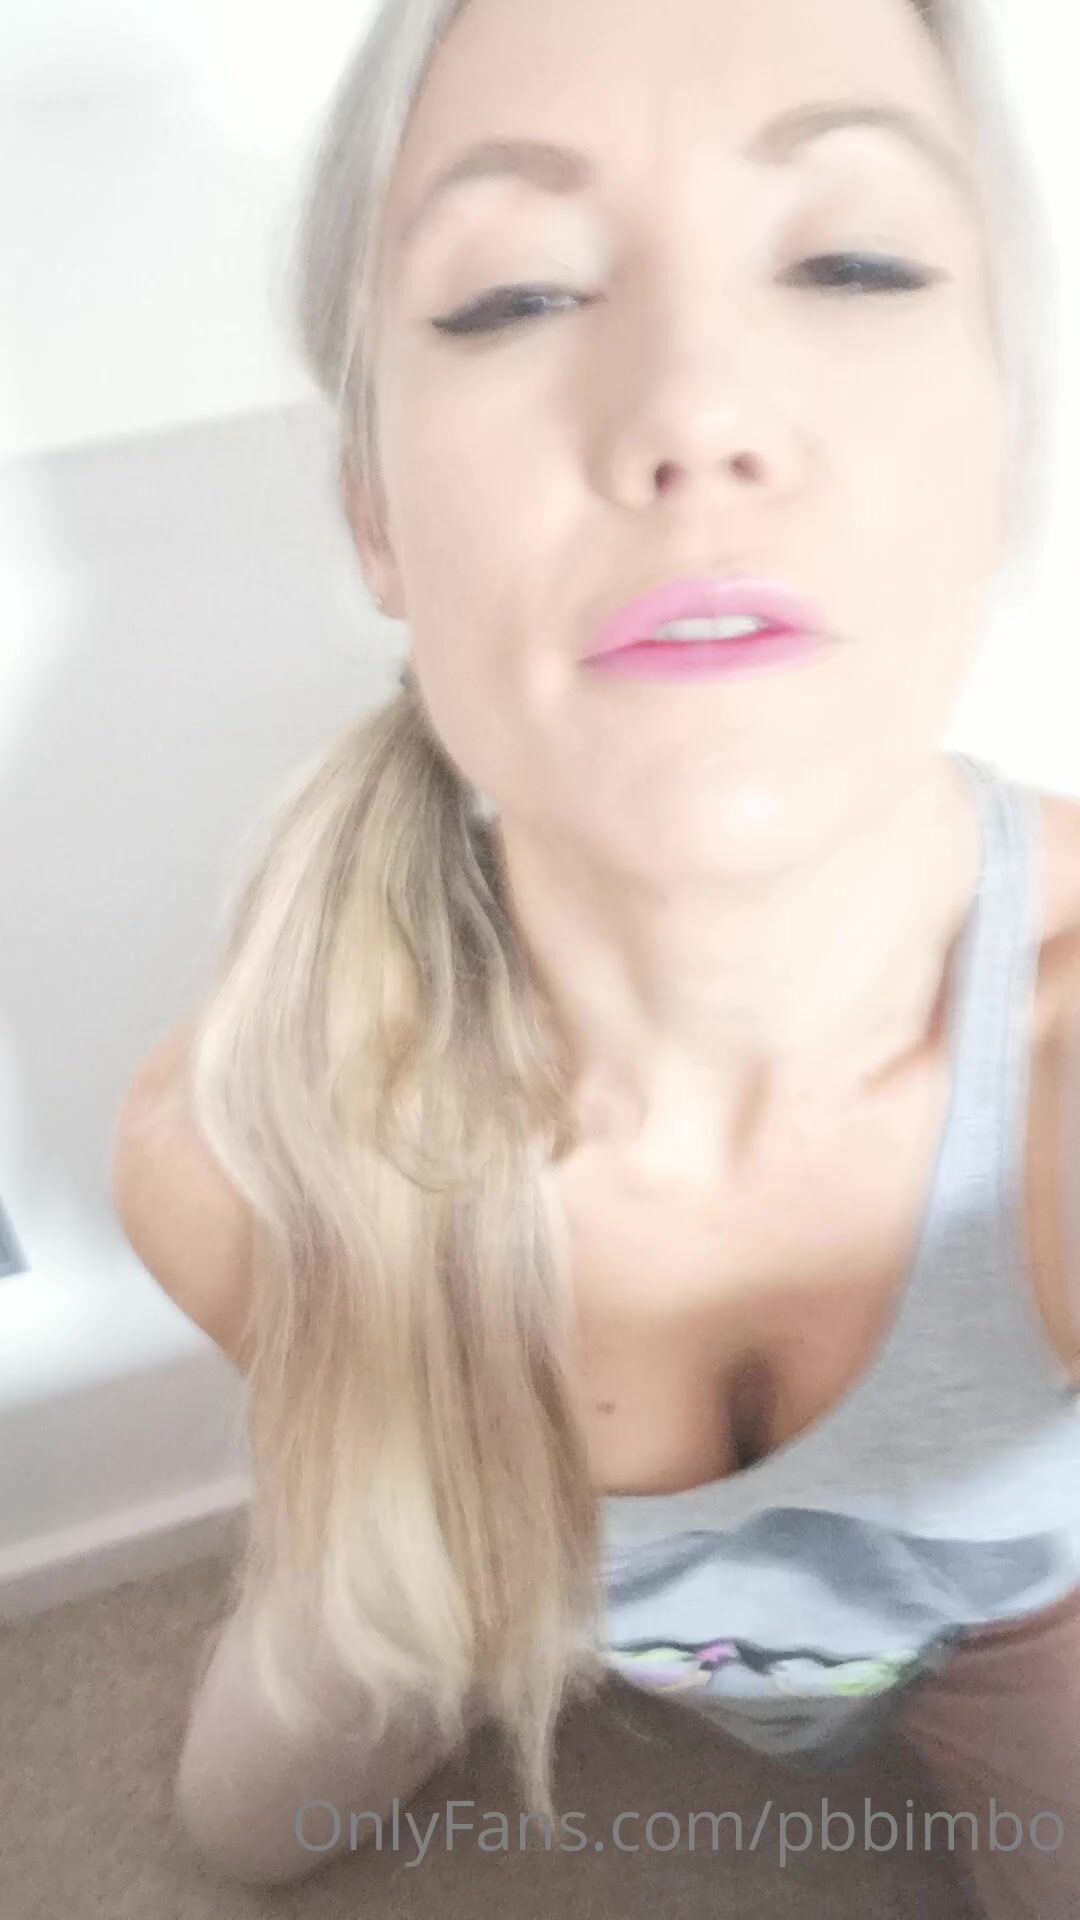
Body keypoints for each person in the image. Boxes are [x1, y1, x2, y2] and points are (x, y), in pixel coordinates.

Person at [110, 0, 1080, 1912]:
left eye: (854, 261)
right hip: (472, 1559)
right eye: (516, 295)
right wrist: (421, 1531)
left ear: (1007, 448)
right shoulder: (237, 1158)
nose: (693, 413)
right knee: (233, 1836)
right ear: (378, 513)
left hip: (1007, 1629)